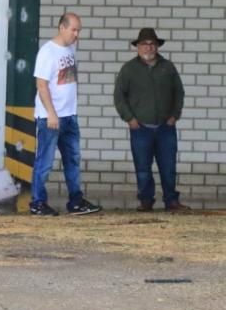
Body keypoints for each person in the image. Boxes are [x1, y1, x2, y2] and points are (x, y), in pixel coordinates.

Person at [29, 13, 102, 216]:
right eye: (74, 30)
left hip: (70, 115)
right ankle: (37, 202)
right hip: (51, 118)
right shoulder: (47, 52)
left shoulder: (70, 48)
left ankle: (76, 200)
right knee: (44, 161)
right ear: (62, 27)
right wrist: (51, 113)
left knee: (73, 159)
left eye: (79, 30)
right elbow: (41, 85)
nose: (77, 34)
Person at [113, 28, 190, 212]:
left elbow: (179, 92)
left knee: (168, 167)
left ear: (157, 46)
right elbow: (119, 97)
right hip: (140, 128)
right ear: (137, 47)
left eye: (152, 44)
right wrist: (129, 119)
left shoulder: (168, 67)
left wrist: (174, 115)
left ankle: (171, 201)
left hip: (165, 127)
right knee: (142, 168)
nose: (149, 48)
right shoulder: (129, 69)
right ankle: (146, 201)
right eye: (144, 44)